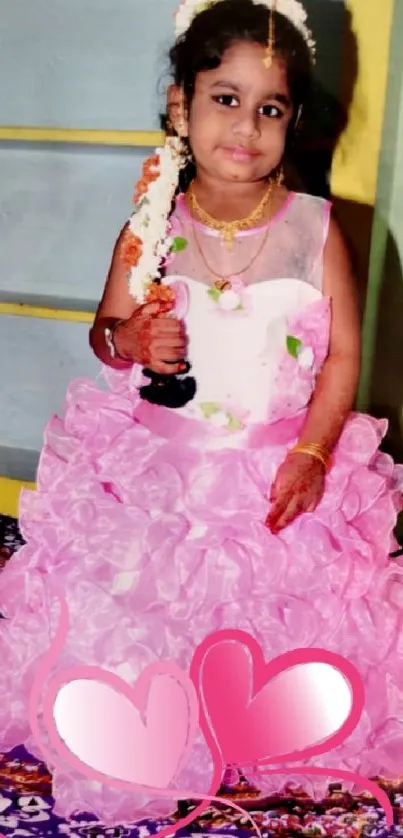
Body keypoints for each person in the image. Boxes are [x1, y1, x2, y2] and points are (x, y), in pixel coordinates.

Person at [1, 0, 403, 827]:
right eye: (225, 98)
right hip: (160, 477)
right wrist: (130, 338)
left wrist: (316, 455)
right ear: (181, 105)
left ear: (293, 120)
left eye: (270, 108)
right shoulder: (149, 229)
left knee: (293, 627)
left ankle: (268, 727)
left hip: (274, 475)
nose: (246, 127)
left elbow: (342, 359)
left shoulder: (317, 230)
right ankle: (148, 724)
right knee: (136, 617)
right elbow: (105, 336)